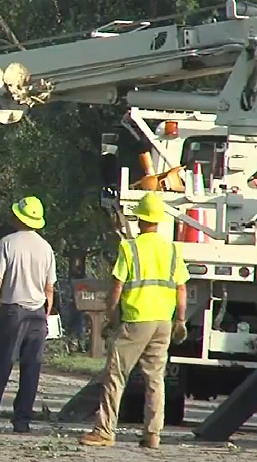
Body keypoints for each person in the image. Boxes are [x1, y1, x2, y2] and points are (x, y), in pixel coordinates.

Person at [79, 192, 189, 449]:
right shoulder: (172, 249)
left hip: (137, 319)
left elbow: (117, 287)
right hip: (163, 321)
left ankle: (104, 431)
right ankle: (153, 434)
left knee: (116, 375)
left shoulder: (130, 248)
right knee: (155, 379)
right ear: (159, 221)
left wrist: (112, 316)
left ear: (140, 220)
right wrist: (180, 320)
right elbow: (181, 288)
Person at [0, 196, 56, 434]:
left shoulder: (7, 243)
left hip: (13, 312)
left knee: (1, 366)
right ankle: (22, 420)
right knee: (31, 369)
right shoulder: (46, 248)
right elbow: (49, 289)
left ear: (18, 217)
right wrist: (45, 314)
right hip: (37, 314)